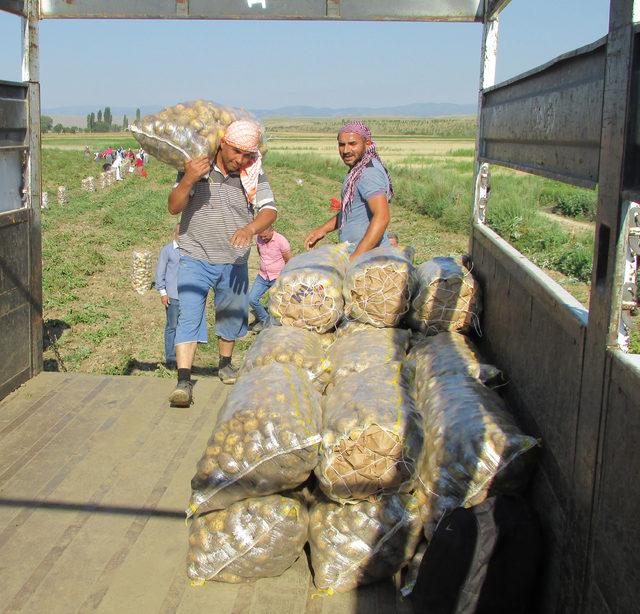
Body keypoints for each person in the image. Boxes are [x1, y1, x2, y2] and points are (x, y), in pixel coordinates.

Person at [167, 119, 277, 406]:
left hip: (234, 261)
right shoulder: (196, 166)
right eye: (236, 152)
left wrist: (250, 228)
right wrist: (189, 178)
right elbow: (173, 207)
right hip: (195, 256)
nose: (240, 159)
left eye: (247, 154)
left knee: (230, 315)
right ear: (222, 144)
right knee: (189, 316)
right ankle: (183, 381)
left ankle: (225, 363)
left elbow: (269, 210)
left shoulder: (253, 174)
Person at [304, 120, 393, 260]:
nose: (346, 150)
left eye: (352, 144)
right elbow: (350, 211)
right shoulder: (358, 170)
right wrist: (323, 229)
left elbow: (382, 217)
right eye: (341, 144)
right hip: (359, 255)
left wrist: (356, 257)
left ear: (367, 143)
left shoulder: (369, 173)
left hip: (369, 259)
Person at [248, 225, 292, 332]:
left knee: (275, 304)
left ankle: (276, 324)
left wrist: (284, 277)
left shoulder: (281, 241)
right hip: (263, 276)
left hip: (277, 277)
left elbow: (288, 260)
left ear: (271, 231)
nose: (262, 238)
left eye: (265, 236)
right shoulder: (259, 238)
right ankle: (265, 320)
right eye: (261, 236)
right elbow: (260, 252)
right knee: (251, 299)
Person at [155, 225, 180, 369]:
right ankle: (171, 359)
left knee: (184, 328)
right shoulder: (167, 250)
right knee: (172, 327)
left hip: (187, 296)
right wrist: (163, 293)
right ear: (174, 234)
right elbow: (160, 273)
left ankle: (183, 359)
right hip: (173, 296)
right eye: (179, 232)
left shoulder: (189, 250)